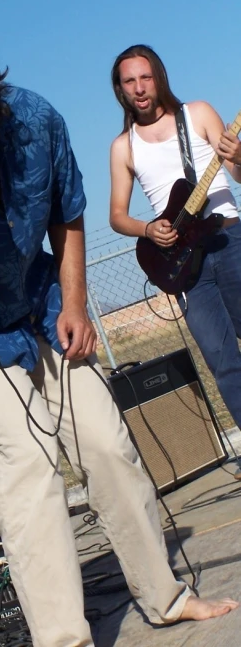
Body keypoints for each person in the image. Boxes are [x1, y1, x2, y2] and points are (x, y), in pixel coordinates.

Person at [0, 33, 237, 647]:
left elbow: (68, 213)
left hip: (38, 303)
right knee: (30, 472)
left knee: (106, 444)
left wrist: (72, 304)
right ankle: (65, 639)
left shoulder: (36, 119)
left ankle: (166, 598)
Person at [109, 44, 241, 441]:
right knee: (222, 360)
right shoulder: (123, 147)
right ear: (120, 89)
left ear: (159, 77)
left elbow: (237, 174)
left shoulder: (197, 113)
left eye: (145, 77)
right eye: (129, 81)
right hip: (184, 264)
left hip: (229, 240)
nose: (139, 87)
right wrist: (147, 230)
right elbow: (116, 215)